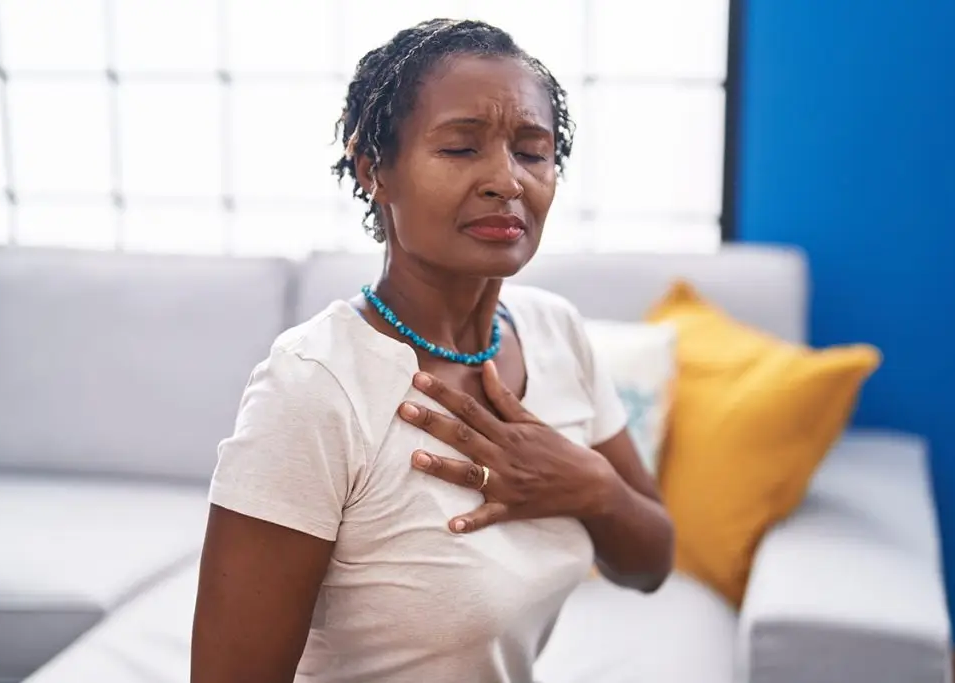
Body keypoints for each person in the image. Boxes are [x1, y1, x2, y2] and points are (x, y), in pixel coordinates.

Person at [191, 18, 674, 683]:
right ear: (373, 171)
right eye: (460, 148)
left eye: (532, 152)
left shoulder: (556, 332)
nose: (507, 180)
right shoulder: (315, 386)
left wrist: (587, 485)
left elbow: (651, 561)